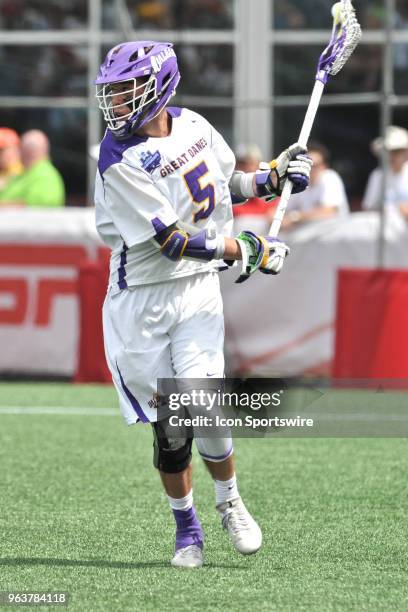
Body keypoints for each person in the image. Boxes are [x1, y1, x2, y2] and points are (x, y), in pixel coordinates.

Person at [94, 41, 312, 569]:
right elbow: (170, 240)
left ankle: (229, 500)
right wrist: (247, 249)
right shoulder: (118, 157)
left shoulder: (193, 125)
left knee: (202, 400)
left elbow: (223, 189)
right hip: (141, 301)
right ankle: (186, 526)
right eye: (114, 92)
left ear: (160, 86)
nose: (118, 103)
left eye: (128, 90)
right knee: (172, 431)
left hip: (196, 291)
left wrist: (273, 179)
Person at [280, 141, 349, 231]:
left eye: (315, 165)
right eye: (308, 164)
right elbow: (281, 209)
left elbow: (330, 211)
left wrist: (295, 217)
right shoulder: (299, 181)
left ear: (324, 166)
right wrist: (277, 218)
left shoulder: (330, 177)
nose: (311, 169)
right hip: (311, 239)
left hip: (336, 237)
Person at [0, 129, 65, 208]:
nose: (16, 152)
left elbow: (35, 206)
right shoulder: (26, 172)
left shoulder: (44, 176)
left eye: (1, 151)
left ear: (28, 151)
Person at [362, 125, 408, 217]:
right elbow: (368, 208)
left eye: (396, 151)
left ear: (406, 151)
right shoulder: (378, 175)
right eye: (387, 151)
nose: (391, 156)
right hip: (384, 229)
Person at [232, 143, 274, 235]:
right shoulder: (227, 195)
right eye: (240, 164)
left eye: (249, 163)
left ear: (258, 166)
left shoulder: (272, 195)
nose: (244, 168)